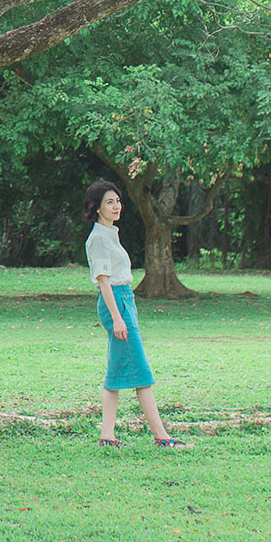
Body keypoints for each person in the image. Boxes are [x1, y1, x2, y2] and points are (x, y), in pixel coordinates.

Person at [83, 178, 188, 449]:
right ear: (97, 207)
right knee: (141, 372)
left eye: (118, 201)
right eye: (109, 202)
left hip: (124, 299)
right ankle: (162, 437)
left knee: (117, 372)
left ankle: (107, 436)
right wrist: (118, 318)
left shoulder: (109, 234)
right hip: (115, 301)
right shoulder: (97, 239)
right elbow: (103, 280)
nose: (116, 206)